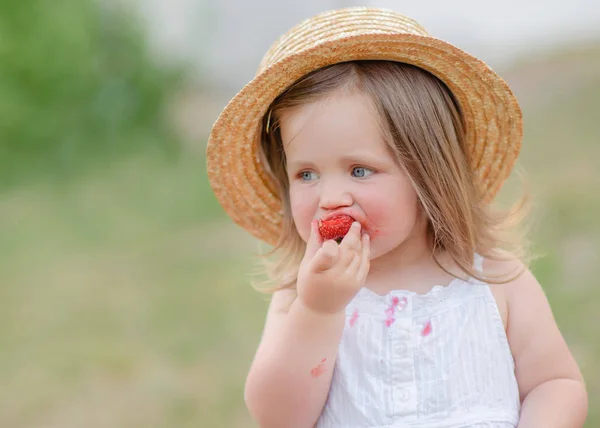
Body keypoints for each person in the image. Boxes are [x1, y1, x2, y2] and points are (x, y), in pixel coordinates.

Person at [206, 7, 587, 428]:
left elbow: (555, 383)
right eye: (306, 174)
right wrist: (318, 313)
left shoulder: (496, 281)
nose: (331, 198)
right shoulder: (302, 296)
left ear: (426, 172)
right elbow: (278, 417)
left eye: (359, 170)